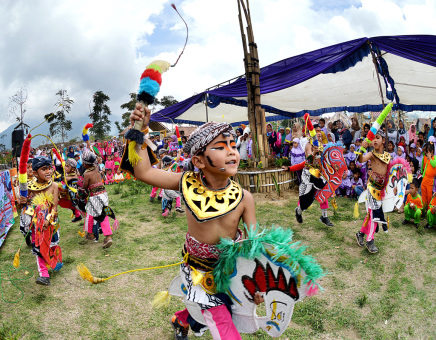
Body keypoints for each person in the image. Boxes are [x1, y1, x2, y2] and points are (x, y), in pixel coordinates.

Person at [126, 104, 258, 339]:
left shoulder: (245, 199)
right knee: (221, 320)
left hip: (229, 271)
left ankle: (182, 319)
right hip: (196, 271)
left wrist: (255, 284)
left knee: (226, 306)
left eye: (232, 145)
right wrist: (140, 132)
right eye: (220, 147)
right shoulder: (186, 184)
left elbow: (252, 248)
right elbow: (144, 172)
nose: (232, 152)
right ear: (198, 161)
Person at [19, 156, 61, 285]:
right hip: (37, 223)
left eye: (50, 168)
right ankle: (44, 275)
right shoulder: (30, 187)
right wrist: (22, 202)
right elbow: (25, 206)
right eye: (44, 169)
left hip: (51, 221)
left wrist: (49, 219)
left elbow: (54, 205)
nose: (48, 171)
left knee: (53, 244)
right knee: (39, 247)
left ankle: (56, 262)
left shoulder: (54, 185)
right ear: (36, 173)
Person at [284, 123, 334, 227]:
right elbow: (308, 161)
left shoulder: (323, 145)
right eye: (317, 131)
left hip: (319, 175)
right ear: (312, 134)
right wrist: (290, 168)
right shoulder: (308, 145)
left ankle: (324, 216)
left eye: (320, 131)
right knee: (305, 197)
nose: (319, 133)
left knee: (323, 194)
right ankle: (299, 211)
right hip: (309, 175)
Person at [355, 130, 390, 254]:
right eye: (373, 138)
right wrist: (361, 149)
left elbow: (389, 173)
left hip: (381, 190)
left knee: (370, 215)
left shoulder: (388, 156)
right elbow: (360, 160)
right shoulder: (371, 154)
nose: (375, 140)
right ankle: (370, 240)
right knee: (374, 215)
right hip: (372, 188)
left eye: (378, 137)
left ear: (383, 141)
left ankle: (360, 234)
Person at [81, 150, 114, 248]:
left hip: (95, 197)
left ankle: (96, 235)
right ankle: (102, 235)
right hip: (104, 195)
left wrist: (80, 189)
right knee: (100, 215)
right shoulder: (96, 168)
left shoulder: (87, 174)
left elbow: (85, 186)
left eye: (83, 162)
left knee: (94, 216)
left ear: (86, 164)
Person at [421, 142, 436, 213]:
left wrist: (430, 158)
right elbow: (425, 168)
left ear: (432, 151)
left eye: (427, 152)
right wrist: (423, 176)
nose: (426, 154)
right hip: (425, 179)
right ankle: (424, 208)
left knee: (429, 195)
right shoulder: (427, 159)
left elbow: (433, 165)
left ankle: (429, 209)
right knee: (423, 194)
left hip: (430, 180)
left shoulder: (435, 158)